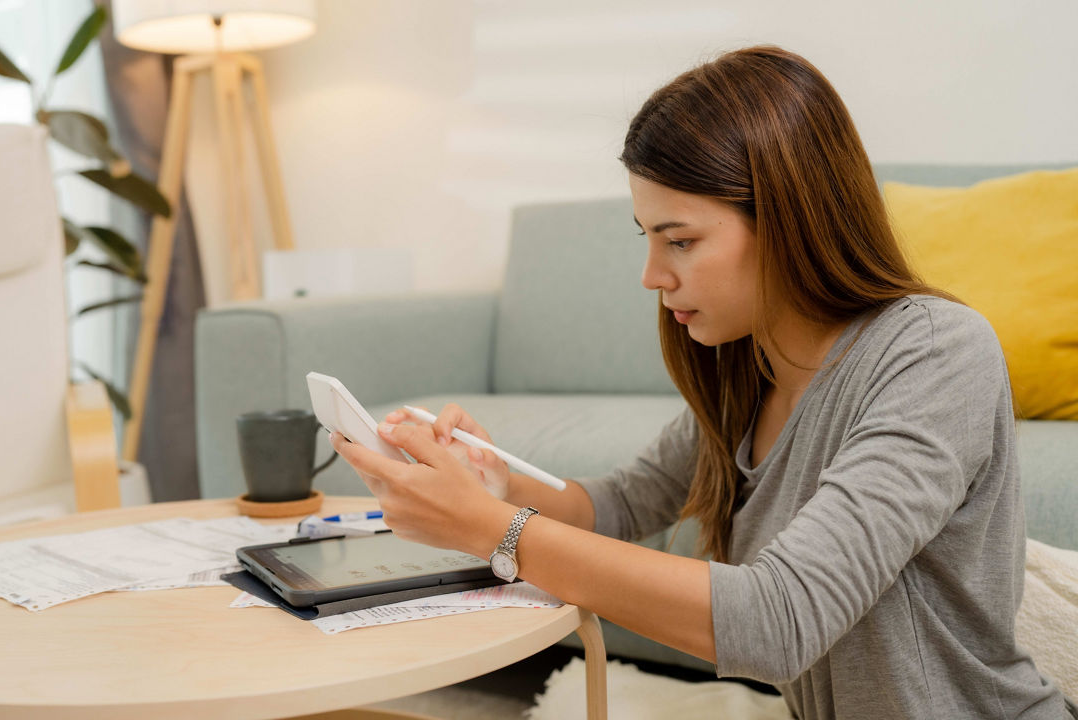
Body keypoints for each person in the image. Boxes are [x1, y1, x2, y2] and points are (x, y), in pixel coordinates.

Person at [329, 45, 1076, 719]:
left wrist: (493, 531)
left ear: (790, 218)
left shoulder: (938, 354)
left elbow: (780, 620)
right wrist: (494, 486)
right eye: (648, 237)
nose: (653, 276)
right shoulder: (749, 369)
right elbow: (616, 504)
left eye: (680, 240)